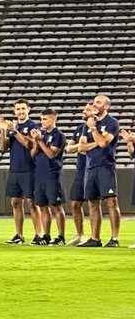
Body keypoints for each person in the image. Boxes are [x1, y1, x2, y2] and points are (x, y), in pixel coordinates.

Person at [0, 100, 40, 245]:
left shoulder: (32, 126)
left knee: (32, 202)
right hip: (15, 168)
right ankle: (19, 235)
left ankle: (38, 234)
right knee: (15, 202)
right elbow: (3, 148)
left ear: (28, 110)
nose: (20, 111)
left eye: (23, 108)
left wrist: (14, 131)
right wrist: (3, 130)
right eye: (18, 109)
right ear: (14, 111)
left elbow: (29, 144)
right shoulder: (11, 127)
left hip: (30, 169)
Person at [81, 92, 121, 248]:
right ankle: (95, 238)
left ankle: (114, 238)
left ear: (106, 106)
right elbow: (81, 147)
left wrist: (93, 130)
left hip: (105, 166)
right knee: (92, 202)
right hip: (90, 167)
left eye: (98, 102)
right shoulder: (89, 123)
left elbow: (104, 143)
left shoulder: (112, 122)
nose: (95, 104)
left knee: (111, 201)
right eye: (94, 102)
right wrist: (96, 138)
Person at [31, 109, 66, 247]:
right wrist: (35, 142)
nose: (42, 122)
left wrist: (39, 141)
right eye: (41, 119)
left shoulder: (59, 135)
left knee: (56, 206)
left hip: (52, 174)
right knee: (43, 206)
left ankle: (61, 236)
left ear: (53, 119)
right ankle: (46, 235)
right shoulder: (42, 134)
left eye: (45, 119)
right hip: (40, 174)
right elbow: (33, 154)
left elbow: (52, 154)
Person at [68, 103, 93, 245]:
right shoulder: (80, 128)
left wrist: (82, 147)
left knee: (93, 204)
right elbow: (68, 149)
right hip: (80, 170)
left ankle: (95, 236)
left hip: (93, 169)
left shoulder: (99, 127)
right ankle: (80, 235)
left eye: (87, 109)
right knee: (75, 204)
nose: (84, 111)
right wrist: (81, 146)